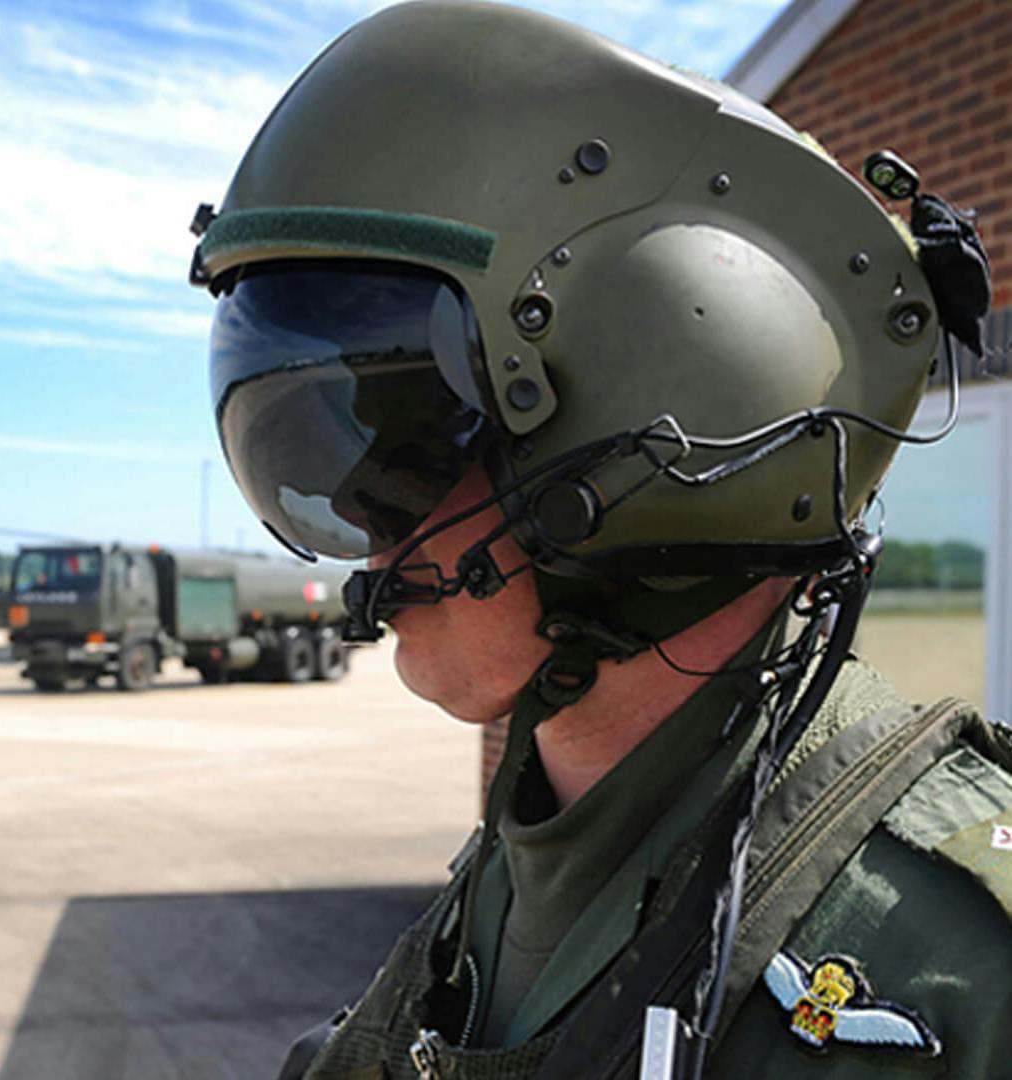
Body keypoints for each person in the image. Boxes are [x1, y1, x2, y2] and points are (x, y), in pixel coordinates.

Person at [187, 2, 1005, 1077]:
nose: (369, 536)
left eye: (410, 449)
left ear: (667, 418)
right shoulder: (524, 862)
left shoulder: (969, 971)